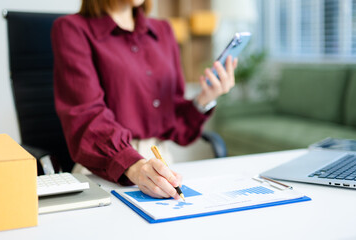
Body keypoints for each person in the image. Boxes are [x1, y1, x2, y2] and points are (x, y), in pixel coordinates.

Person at [51, 0, 238, 200]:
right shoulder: (71, 29)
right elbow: (87, 117)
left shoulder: (163, 30)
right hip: (107, 169)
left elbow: (175, 124)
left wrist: (204, 99)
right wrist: (132, 165)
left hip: (162, 165)